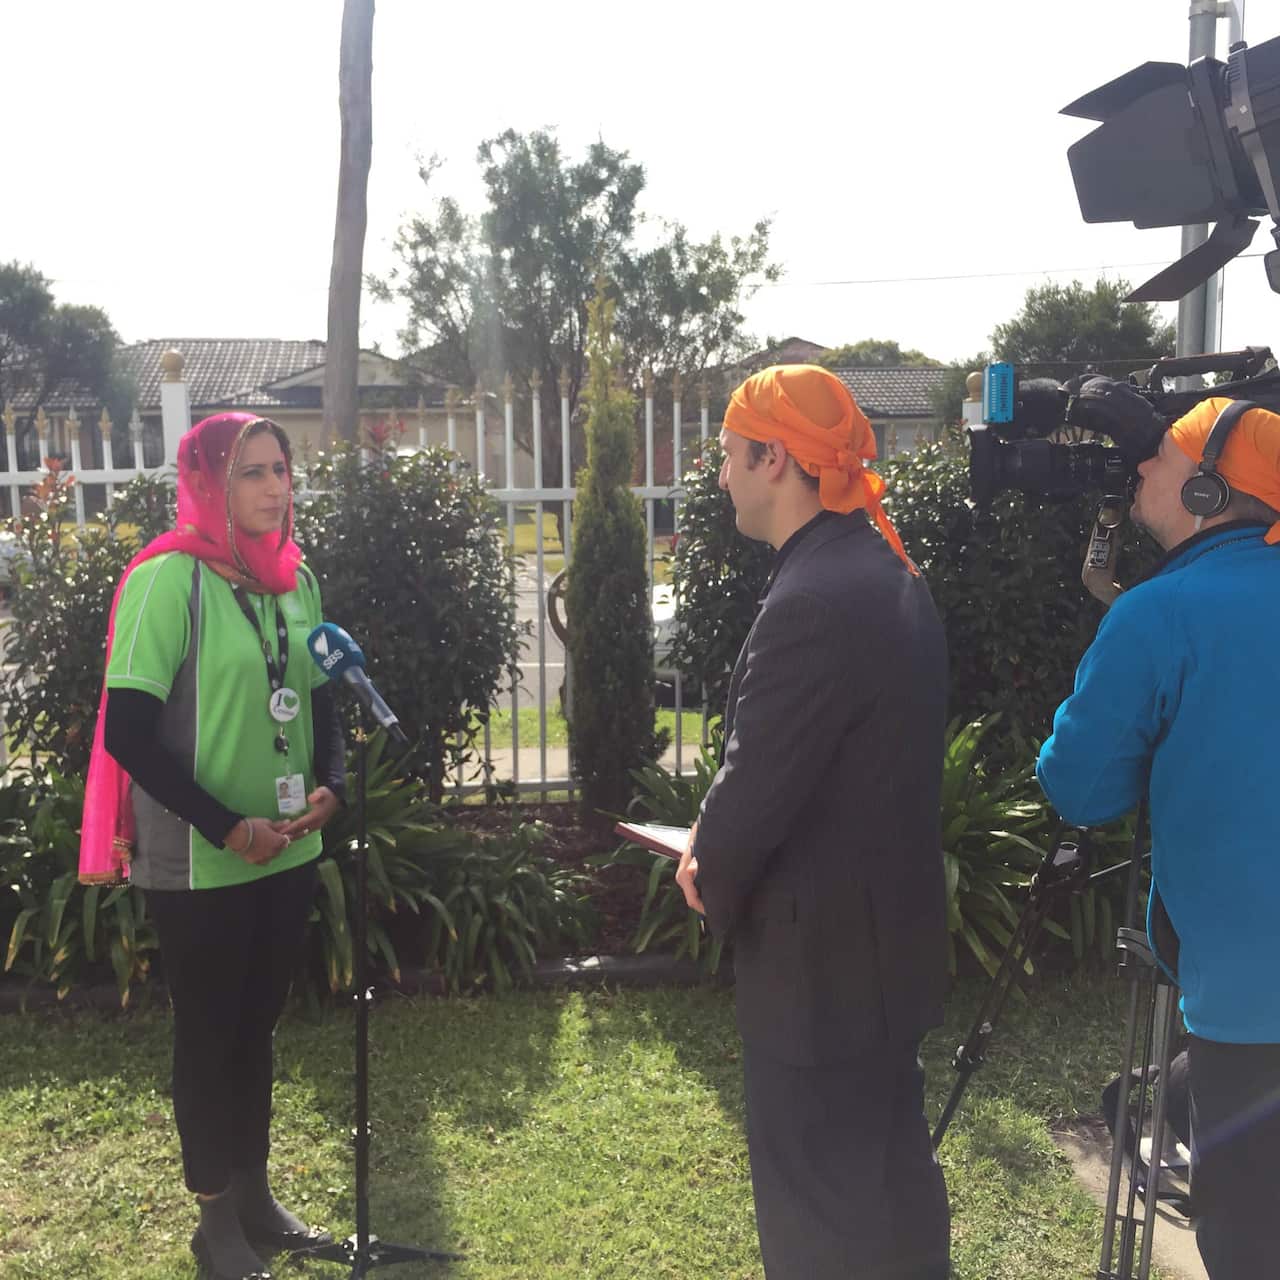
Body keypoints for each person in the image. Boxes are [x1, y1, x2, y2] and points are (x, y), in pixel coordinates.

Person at [674, 364, 951, 1279]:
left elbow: (759, 783)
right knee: (892, 1195)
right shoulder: (883, 568)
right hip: (886, 957)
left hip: (822, 980)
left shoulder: (812, 599)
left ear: (776, 459)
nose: (719, 478)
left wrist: (704, 864)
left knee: (820, 1228)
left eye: (727, 455)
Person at [80, 412, 347, 1280]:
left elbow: (320, 698)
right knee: (209, 1033)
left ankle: (257, 1200)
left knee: (258, 1030)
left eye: (281, 471)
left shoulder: (294, 578)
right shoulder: (168, 580)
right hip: (202, 860)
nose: (276, 488)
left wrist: (329, 788)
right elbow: (128, 732)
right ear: (209, 483)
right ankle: (214, 1223)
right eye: (253, 473)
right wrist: (227, 826)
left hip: (288, 851)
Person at [1036, 396, 1280, 1280]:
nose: (1140, 464)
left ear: (1213, 490)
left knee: (1251, 1238)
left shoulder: (1155, 616)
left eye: (1162, 453)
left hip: (1248, 1011)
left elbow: (1080, 785)